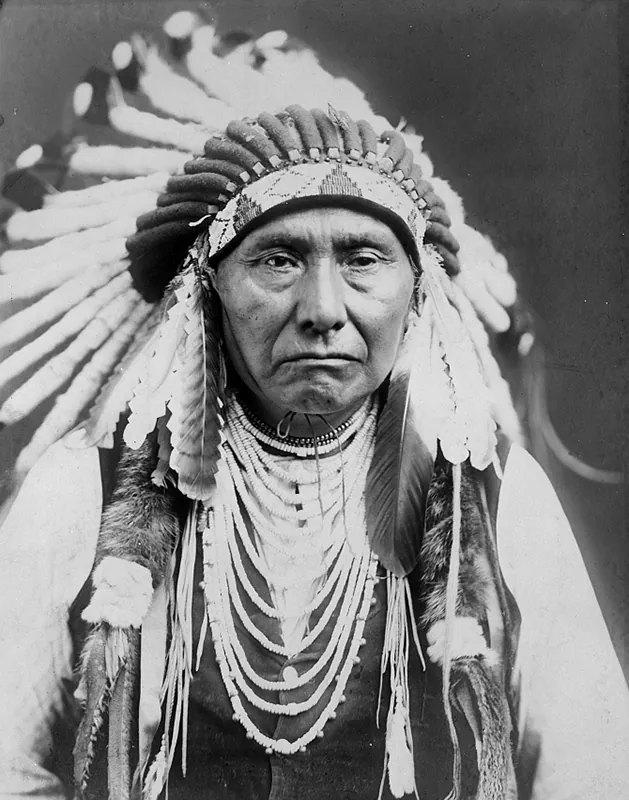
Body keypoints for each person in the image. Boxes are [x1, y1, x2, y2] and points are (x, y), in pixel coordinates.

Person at [0, 13, 627, 800]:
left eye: (363, 260)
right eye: (277, 258)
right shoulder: (78, 495)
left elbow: (592, 778)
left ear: (416, 291)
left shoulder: (498, 505)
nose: (322, 308)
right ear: (208, 290)